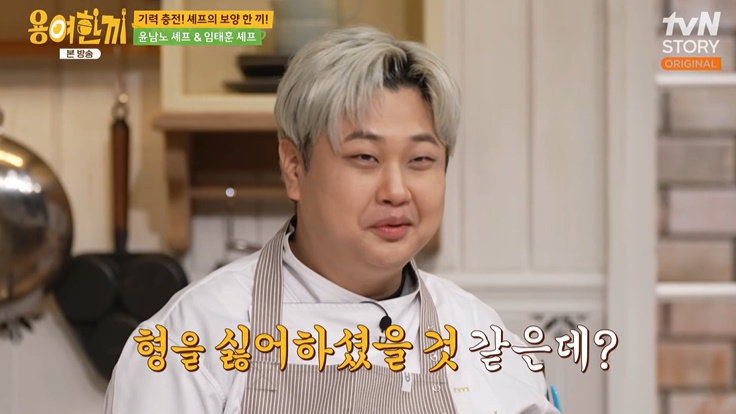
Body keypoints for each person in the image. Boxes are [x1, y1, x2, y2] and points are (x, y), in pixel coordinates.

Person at [103, 26, 560, 414]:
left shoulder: (482, 341)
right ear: (294, 168)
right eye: (365, 157)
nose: (396, 190)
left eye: (421, 159)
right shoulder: (191, 340)